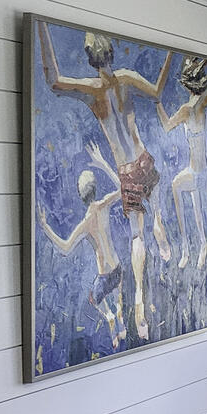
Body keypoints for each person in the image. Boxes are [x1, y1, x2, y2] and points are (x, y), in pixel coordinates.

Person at [38, 23, 173, 340]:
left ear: (89, 57)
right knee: (158, 200)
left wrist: (43, 31)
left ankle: (138, 297)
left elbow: (54, 81)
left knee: (136, 236)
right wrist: (169, 54)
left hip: (126, 170)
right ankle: (162, 230)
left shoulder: (92, 91)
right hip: (143, 158)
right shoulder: (125, 78)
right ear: (110, 53)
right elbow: (155, 92)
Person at [37, 144, 125, 349]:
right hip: (117, 269)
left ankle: (110, 315)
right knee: (117, 290)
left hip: (103, 277)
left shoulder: (85, 224)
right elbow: (123, 188)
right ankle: (119, 311)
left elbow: (65, 248)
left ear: (80, 195)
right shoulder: (104, 205)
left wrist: (46, 226)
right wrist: (103, 163)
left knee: (95, 298)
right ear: (95, 188)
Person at [157, 55, 207, 269]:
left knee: (175, 186)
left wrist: (157, 102)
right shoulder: (201, 104)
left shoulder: (188, 109)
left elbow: (167, 125)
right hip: (201, 170)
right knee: (197, 208)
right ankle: (202, 245)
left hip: (196, 172)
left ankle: (187, 248)